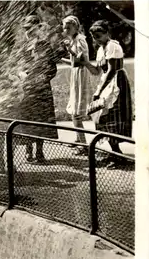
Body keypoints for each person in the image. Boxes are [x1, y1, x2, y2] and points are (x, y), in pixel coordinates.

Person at [79, 20, 133, 169]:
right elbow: (97, 71)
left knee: (112, 118)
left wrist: (98, 91)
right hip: (107, 84)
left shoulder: (113, 46)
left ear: (107, 33)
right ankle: (115, 153)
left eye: (99, 35)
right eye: (94, 37)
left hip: (117, 84)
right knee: (104, 119)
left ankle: (117, 156)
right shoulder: (101, 49)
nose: (96, 39)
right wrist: (84, 62)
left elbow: (111, 71)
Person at [13, 15, 62, 163]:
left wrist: (44, 78)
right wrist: (20, 74)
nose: (27, 32)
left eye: (30, 28)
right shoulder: (22, 47)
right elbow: (16, 66)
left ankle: (40, 152)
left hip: (42, 89)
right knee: (28, 119)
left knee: (42, 120)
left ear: (37, 27)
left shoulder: (45, 45)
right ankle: (28, 151)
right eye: (25, 29)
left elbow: (52, 68)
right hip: (27, 88)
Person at [60, 15, 91, 156]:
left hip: (80, 75)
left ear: (76, 27)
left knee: (76, 113)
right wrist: (60, 59)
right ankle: (79, 139)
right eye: (64, 27)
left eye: (68, 27)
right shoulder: (73, 40)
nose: (65, 29)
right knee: (74, 110)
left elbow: (81, 60)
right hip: (76, 74)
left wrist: (69, 50)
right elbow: (73, 63)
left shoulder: (80, 40)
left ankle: (84, 145)